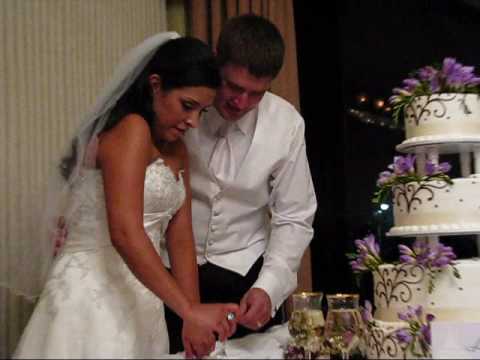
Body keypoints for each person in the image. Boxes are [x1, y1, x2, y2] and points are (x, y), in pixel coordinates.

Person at [11, 33, 239, 359]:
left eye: (202, 111)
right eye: (187, 106)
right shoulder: (131, 129)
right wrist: (188, 310)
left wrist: (194, 318)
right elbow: (124, 232)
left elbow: (181, 240)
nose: (193, 121)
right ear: (155, 85)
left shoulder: (178, 151)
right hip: (92, 298)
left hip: (144, 299)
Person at [164, 14, 317, 353]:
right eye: (233, 87)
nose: (241, 102)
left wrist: (269, 287)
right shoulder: (178, 105)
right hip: (169, 277)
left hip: (244, 276)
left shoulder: (287, 124)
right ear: (216, 58)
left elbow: (294, 216)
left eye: (256, 94)